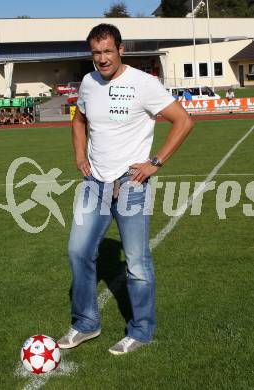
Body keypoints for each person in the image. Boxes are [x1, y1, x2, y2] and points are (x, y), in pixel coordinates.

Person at [58, 23, 193, 355]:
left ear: (120, 50)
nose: (102, 59)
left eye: (107, 51)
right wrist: (79, 155)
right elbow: (79, 120)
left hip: (132, 184)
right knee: (78, 252)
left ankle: (142, 330)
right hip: (94, 184)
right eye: (96, 53)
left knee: (135, 261)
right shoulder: (89, 83)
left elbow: (184, 120)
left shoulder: (144, 84)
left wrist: (155, 163)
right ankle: (86, 324)